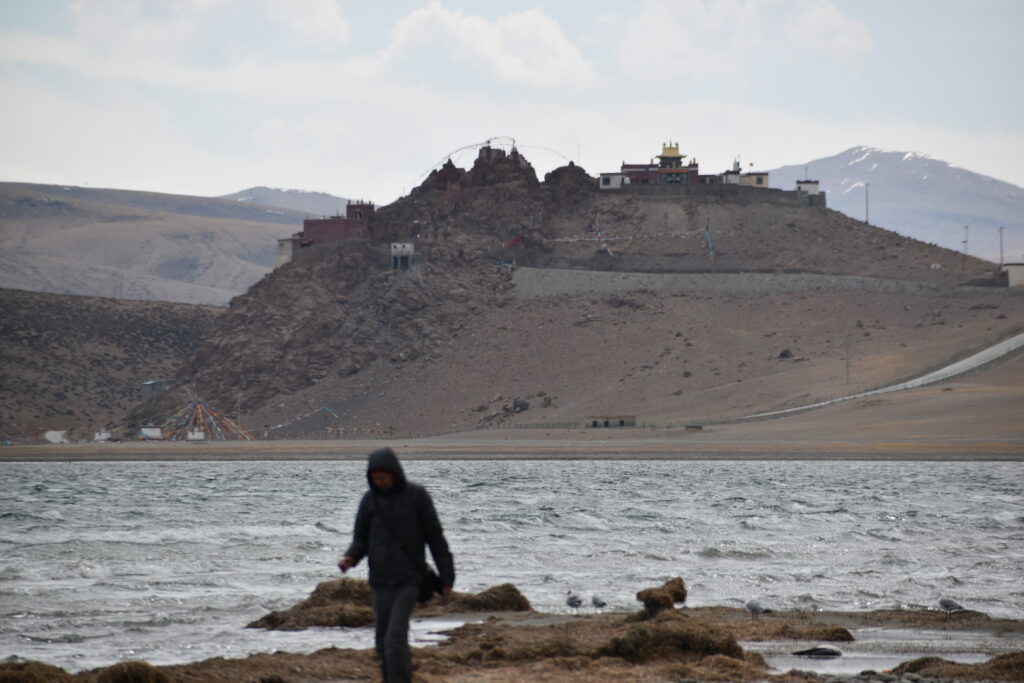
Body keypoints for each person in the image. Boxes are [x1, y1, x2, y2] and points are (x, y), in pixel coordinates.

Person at [338, 447, 454, 683]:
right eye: (375, 478)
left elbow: (435, 538)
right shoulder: (369, 500)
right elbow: (361, 539)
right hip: (380, 580)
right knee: (382, 641)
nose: (379, 482)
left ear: (394, 474)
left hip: (409, 579)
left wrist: (447, 578)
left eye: (383, 477)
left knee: (395, 638)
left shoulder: (416, 496)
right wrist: (350, 558)